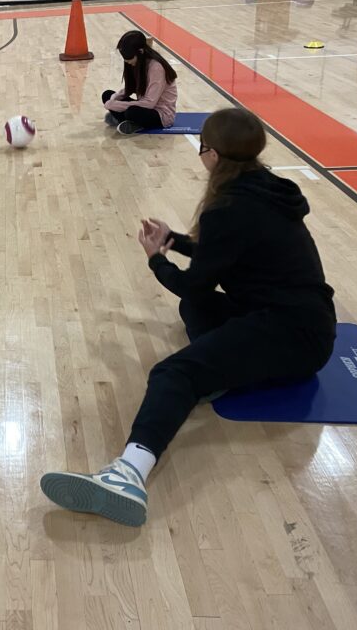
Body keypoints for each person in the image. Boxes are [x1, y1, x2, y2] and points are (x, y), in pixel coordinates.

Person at [40, 108, 336, 527]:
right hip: (304, 321)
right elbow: (223, 258)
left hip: (290, 334)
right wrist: (175, 241)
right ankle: (222, 372)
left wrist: (155, 261)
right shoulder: (268, 188)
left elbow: (194, 282)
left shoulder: (228, 207)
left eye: (202, 147)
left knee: (172, 374)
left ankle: (129, 472)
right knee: (194, 309)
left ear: (212, 154)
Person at [101, 30, 178, 135]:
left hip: (160, 114)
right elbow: (130, 88)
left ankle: (127, 120)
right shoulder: (137, 63)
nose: (127, 62)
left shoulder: (156, 68)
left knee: (132, 112)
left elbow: (149, 103)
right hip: (144, 107)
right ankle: (125, 120)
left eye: (129, 58)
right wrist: (114, 98)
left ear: (140, 52)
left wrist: (117, 105)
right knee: (107, 95)